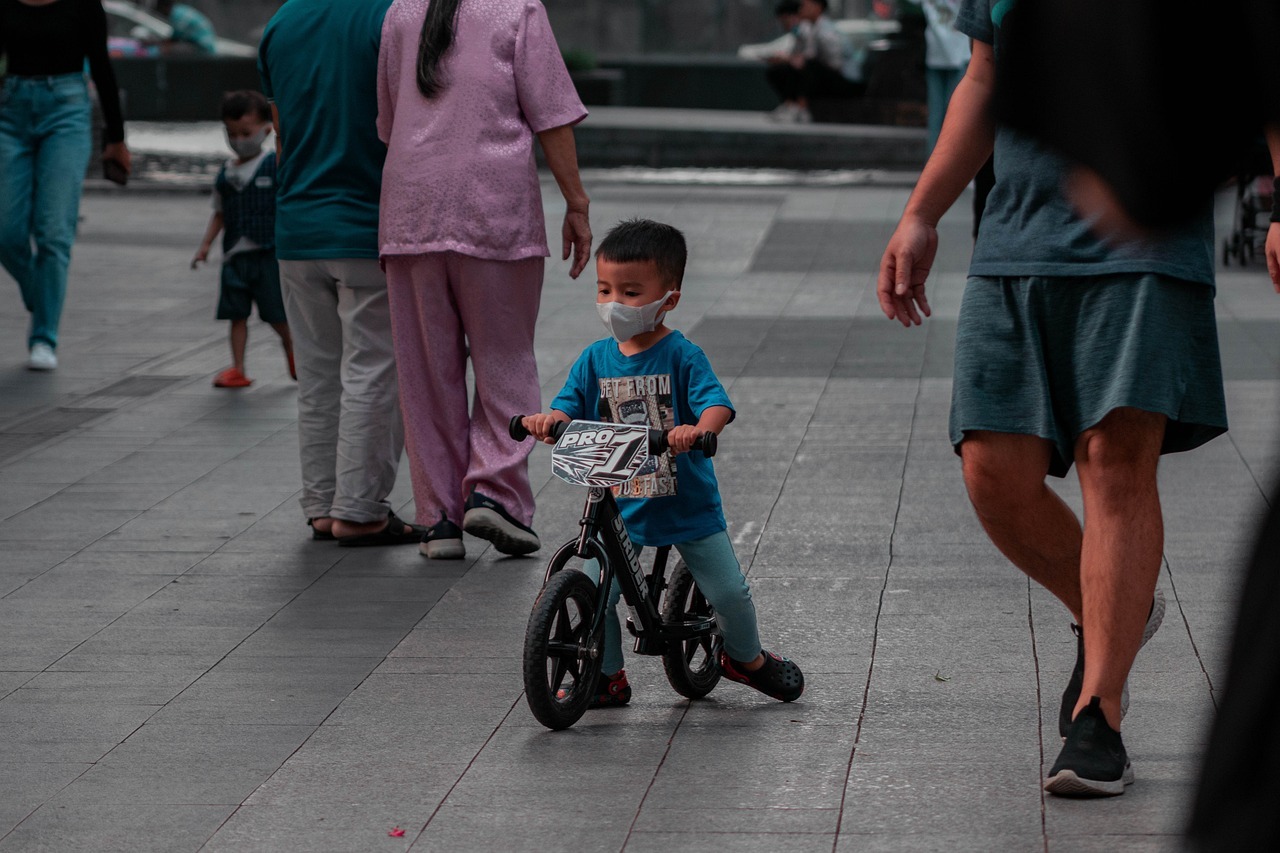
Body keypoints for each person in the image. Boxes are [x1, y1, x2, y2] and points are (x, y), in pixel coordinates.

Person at [877, 0, 1229, 798]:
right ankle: (1117, 611)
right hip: (1018, 237)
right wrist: (921, 212)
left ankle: (1098, 715)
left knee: (1115, 460)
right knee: (990, 468)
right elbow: (984, 79)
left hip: (1147, 234)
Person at [521, 219, 805, 707]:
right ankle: (607, 677)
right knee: (595, 590)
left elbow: (716, 403)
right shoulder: (595, 359)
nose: (614, 303)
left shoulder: (682, 355)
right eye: (605, 289)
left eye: (631, 293)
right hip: (622, 505)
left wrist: (700, 430)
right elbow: (569, 402)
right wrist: (552, 420)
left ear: (668, 299)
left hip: (687, 504)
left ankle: (745, 658)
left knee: (729, 593)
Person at [377, 0, 593, 560]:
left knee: (424, 372)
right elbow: (551, 114)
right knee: (505, 358)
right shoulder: (517, 9)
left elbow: (389, 118)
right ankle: (496, 495)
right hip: (492, 208)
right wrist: (576, 201)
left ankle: (440, 520)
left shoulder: (400, 12)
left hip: (409, 210)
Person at [259, 0, 423, 547]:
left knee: (318, 374)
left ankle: (321, 504)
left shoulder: (282, 22)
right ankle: (358, 509)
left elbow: (282, 135)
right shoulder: (393, 16)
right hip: (367, 224)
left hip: (297, 228)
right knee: (373, 369)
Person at [0, 0, 131, 371]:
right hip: (11, 112)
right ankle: (42, 294)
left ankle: (44, 336)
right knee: (6, 232)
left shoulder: (84, 3)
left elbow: (102, 65)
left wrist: (116, 137)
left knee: (53, 230)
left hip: (67, 112)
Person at [191, 91, 293, 389]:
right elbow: (220, 213)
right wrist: (205, 246)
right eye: (231, 133)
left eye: (245, 133)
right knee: (236, 314)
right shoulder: (226, 172)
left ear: (266, 129)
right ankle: (238, 367)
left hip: (267, 255)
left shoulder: (274, 165)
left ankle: (293, 351)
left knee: (277, 315)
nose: (238, 139)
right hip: (235, 256)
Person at [765, 0, 864, 124]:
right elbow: (804, 56)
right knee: (782, 69)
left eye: (805, 5)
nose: (801, 9)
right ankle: (791, 106)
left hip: (847, 82)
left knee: (808, 66)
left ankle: (801, 109)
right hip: (827, 76)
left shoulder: (826, 31)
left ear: (818, 7)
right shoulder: (812, 27)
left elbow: (835, 64)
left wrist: (797, 60)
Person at [918, 0, 970, 155]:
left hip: (959, 55)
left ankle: (958, 163)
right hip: (937, 56)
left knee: (955, 113)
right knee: (938, 115)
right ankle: (934, 165)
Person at [152, 0, 217, 55]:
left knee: (169, 50)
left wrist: (160, 46)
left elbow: (176, 39)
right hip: (200, 42)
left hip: (203, 46)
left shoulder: (176, 15)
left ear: (165, 8)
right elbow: (174, 37)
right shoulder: (179, 10)